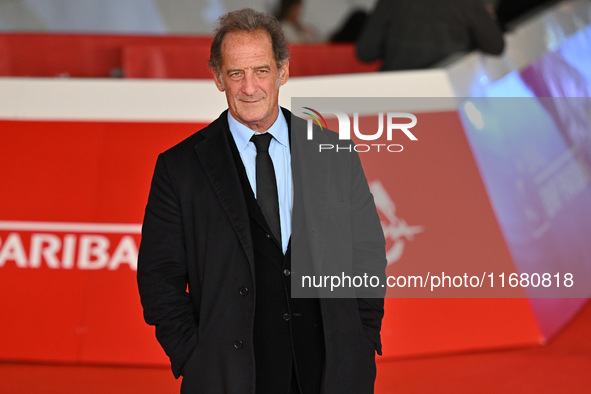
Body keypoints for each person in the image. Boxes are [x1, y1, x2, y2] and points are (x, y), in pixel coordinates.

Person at [137, 8, 386, 394]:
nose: (249, 87)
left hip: (332, 374)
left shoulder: (333, 153)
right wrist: (194, 355)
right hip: (230, 378)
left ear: (283, 71)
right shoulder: (180, 168)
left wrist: (361, 337)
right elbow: (159, 278)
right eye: (236, 73)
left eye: (261, 71)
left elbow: (366, 251)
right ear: (219, 78)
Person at [356, 0, 505, 71]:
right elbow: (495, 46)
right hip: (448, 92)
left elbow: (366, 52)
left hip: (396, 92)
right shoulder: (468, 3)